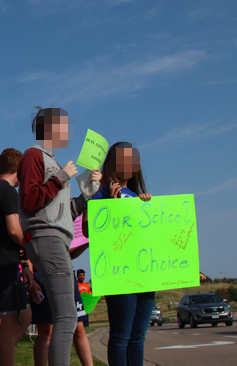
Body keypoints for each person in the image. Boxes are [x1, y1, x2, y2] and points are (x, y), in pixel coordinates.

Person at [17, 107, 101, 366]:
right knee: (67, 318)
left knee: (63, 318)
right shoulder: (34, 156)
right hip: (48, 241)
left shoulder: (52, 163)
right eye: (65, 126)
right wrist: (62, 177)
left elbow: (63, 213)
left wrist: (86, 196)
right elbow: (30, 199)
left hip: (55, 241)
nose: (69, 132)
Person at [92, 142, 153, 366]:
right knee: (121, 336)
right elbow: (93, 231)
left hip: (145, 274)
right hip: (119, 274)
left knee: (138, 337)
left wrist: (147, 207)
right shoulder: (101, 194)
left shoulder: (138, 197)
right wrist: (111, 204)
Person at [0, 148, 32, 366]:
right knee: (8, 323)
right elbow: (13, 229)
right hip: (4, 264)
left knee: (23, 317)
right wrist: (31, 247)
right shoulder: (8, 191)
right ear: (18, 169)